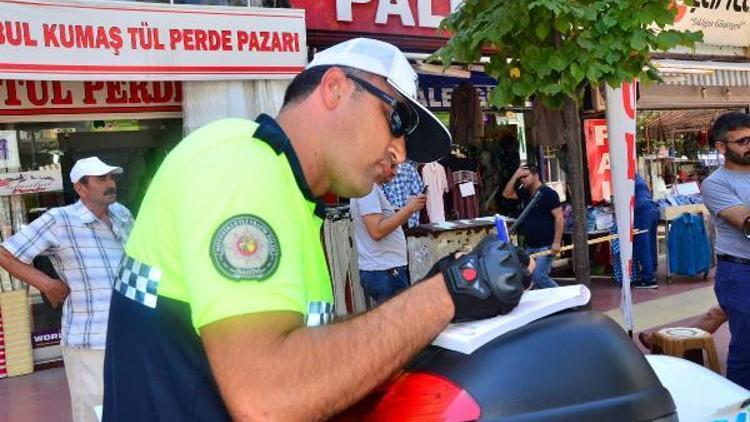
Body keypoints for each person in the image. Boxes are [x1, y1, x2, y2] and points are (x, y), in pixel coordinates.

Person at [102, 37, 529, 421]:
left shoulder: (289, 194)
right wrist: (448, 293)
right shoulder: (242, 165)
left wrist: (438, 293)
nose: (399, 153)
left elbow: (311, 372)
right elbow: (269, 398)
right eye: (396, 121)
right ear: (335, 89)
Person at [0, 157, 133, 422]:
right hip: (90, 338)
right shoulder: (60, 220)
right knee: (94, 409)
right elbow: (5, 253)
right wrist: (46, 284)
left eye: (111, 177)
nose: (110, 183)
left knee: (129, 404)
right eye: (101, 179)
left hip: (130, 333)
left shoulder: (122, 213)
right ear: (80, 188)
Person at [699, 111, 750, 389]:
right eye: (742, 141)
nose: (749, 145)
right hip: (740, 272)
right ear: (721, 147)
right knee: (747, 350)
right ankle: (739, 408)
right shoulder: (716, 183)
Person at [351, 164, 426, 305]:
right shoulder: (368, 189)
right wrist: (409, 209)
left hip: (385, 270)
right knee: (398, 322)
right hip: (384, 271)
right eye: (393, 166)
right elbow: (376, 231)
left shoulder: (370, 188)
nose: (396, 171)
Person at [502, 165, 564, 289]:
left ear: (536, 176)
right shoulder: (525, 193)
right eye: (521, 178)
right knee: (527, 277)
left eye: (525, 176)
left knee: (539, 276)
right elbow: (507, 194)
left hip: (545, 245)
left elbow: (559, 217)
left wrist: (557, 242)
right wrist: (516, 175)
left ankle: (567, 300)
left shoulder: (548, 193)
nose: (522, 179)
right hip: (529, 245)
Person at [632, 174, 660, 289]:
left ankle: (648, 278)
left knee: (643, 245)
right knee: (650, 243)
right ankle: (651, 270)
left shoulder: (626, 179)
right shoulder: (638, 178)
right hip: (652, 209)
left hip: (641, 212)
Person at [382, 160, 424, 229]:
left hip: (410, 224)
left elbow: (419, 195)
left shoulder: (409, 170)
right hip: (389, 226)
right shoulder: (379, 174)